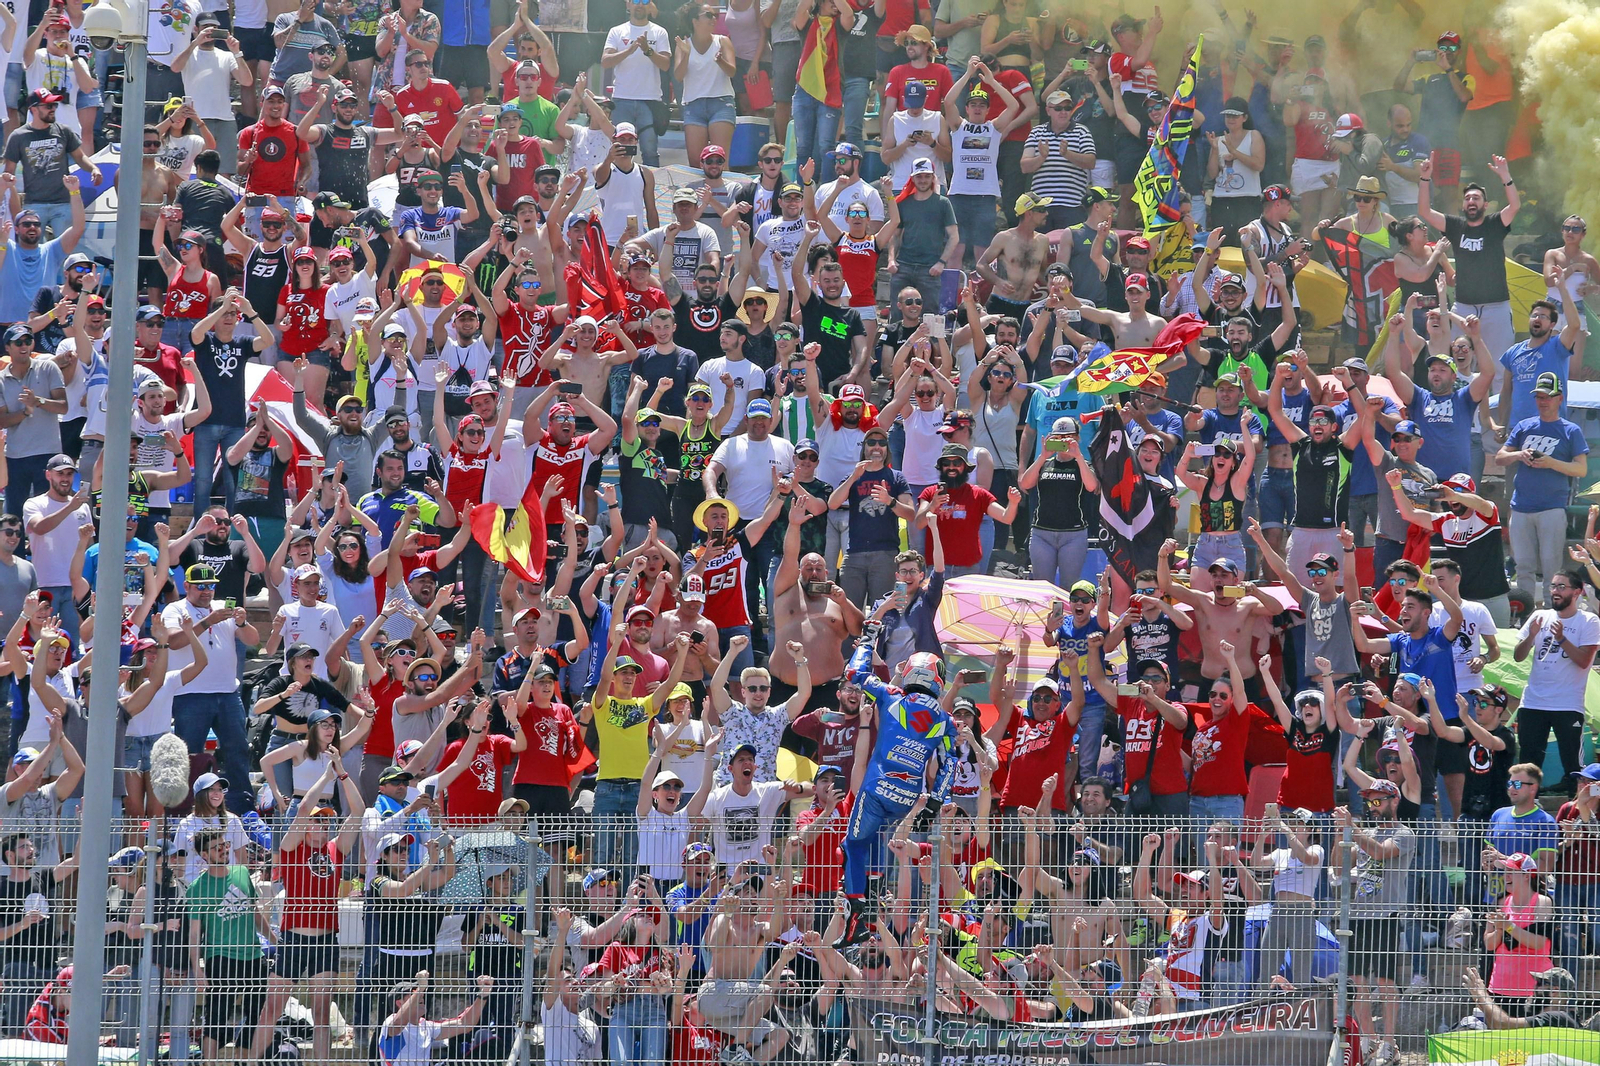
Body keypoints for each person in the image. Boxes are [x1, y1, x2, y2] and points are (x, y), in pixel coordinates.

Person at [832, 626, 955, 946]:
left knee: (852, 845)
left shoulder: (890, 695)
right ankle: (873, 896)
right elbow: (950, 764)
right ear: (938, 679)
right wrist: (934, 803)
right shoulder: (945, 720)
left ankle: (857, 915)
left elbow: (854, 673)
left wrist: (867, 641)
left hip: (876, 789)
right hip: (908, 798)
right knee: (876, 842)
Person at [1416, 154, 1519, 360]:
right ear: (1463, 206)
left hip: (1496, 307)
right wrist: (1425, 178)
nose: (1471, 201)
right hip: (1463, 307)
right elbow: (1424, 211)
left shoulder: (1495, 224)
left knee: (1500, 366)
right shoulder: (1455, 226)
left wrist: (1505, 176)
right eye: (1467, 198)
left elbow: (1514, 206)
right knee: (1459, 363)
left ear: (1485, 205)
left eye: (1476, 198)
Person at [1500, 373, 1588, 603]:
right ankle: (1525, 611)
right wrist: (1519, 454)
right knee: (1523, 566)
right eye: (1539, 396)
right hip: (1521, 507)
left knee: (1552, 567)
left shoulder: (1571, 430)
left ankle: (1552, 611)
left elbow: (1581, 469)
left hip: (1552, 507)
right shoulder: (1524, 426)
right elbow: (1500, 457)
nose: (1543, 401)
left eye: (1548, 396)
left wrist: (1550, 463)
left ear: (1560, 398)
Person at [1513, 570, 1600, 796]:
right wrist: (1531, 636)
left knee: (1573, 764)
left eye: (1562, 586)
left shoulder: (1589, 620)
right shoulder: (1539, 615)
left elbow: (1584, 661)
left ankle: (1577, 808)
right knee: (1528, 763)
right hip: (1533, 702)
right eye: (1553, 586)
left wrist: (1561, 638)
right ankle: (1527, 804)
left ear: (1577, 592)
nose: (1555, 591)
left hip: (1567, 704)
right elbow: (1518, 656)